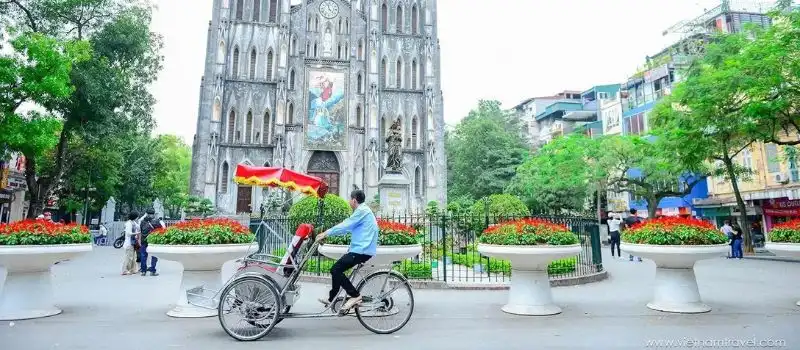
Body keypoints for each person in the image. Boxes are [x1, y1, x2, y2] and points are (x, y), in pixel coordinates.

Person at [315, 189, 378, 312]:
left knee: (335, 270)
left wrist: (326, 233)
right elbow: (346, 229)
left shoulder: (362, 211)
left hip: (362, 250)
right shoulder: (363, 211)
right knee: (336, 270)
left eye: (350, 199)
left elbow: (346, 224)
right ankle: (332, 298)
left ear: (354, 200)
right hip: (361, 250)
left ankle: (355, 295)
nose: (349, 202)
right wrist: (328, 235)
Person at [138, 209, 161, 276]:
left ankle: (143, 271)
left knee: (143, 256)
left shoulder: (142, 222)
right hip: (153, 241)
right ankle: (152, 271)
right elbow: (161, 230)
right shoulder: (156, 221)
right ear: (153, 214)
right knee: (154, 255)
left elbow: (141, 231)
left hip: (144, 240)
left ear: (146, 214)